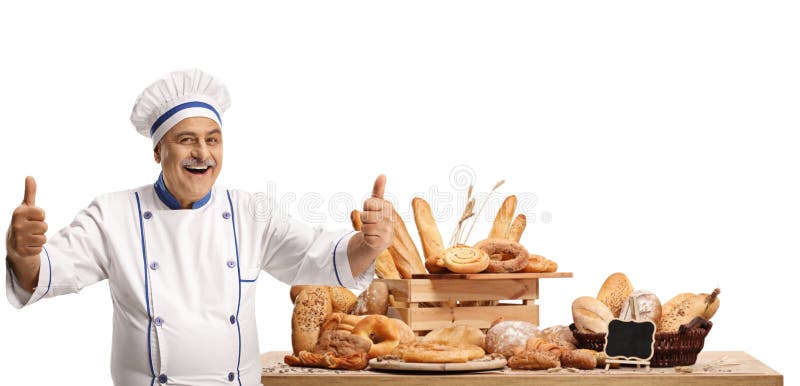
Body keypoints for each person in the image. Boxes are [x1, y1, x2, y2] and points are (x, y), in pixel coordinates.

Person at [5, 69, 393, 386]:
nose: (202, 154)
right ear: (158, 151)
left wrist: (369, 243)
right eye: (186, 140)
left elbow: (322, 257)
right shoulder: (113, 214)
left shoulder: (249, 211)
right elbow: (44, 275)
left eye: (213, 140)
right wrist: (23, 253)